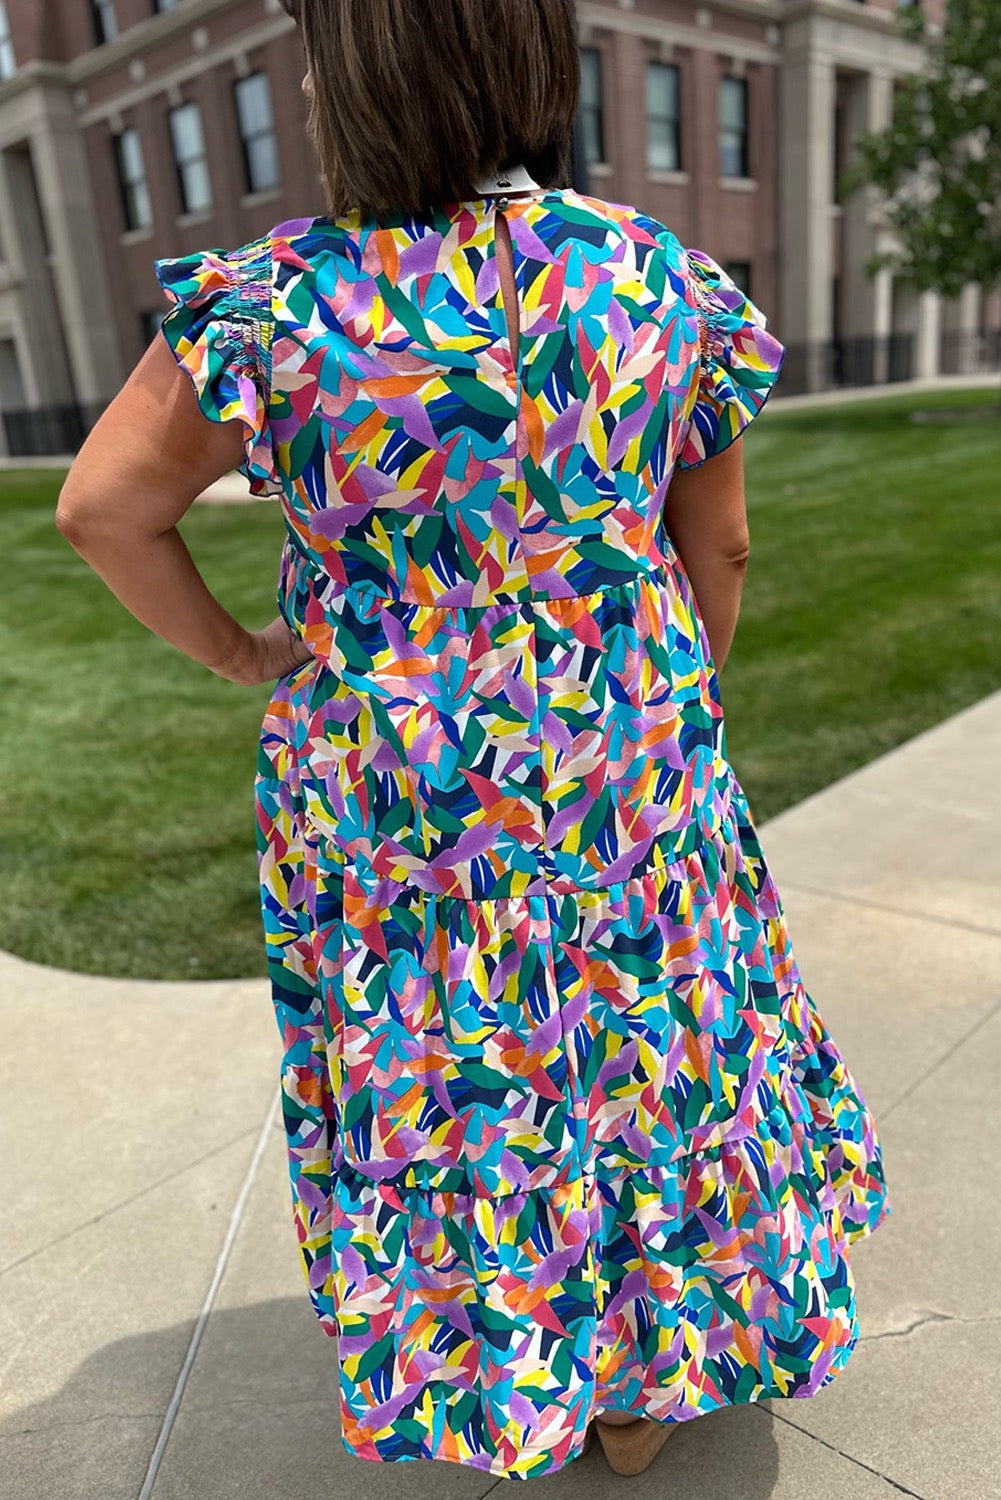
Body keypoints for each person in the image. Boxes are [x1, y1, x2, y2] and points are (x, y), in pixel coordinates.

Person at [55, 0, 890, 1480]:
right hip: (623, 753)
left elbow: (105, 508)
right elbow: (721, 546)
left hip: (396, 790)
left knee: (456, 1068)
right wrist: (672, 702)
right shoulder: (651, 276)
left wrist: (243, 653)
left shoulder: (276, 302)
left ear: (363, 72)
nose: (307, 78)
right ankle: (643, 1385)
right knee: (648, 1047)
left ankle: (514, 1368)